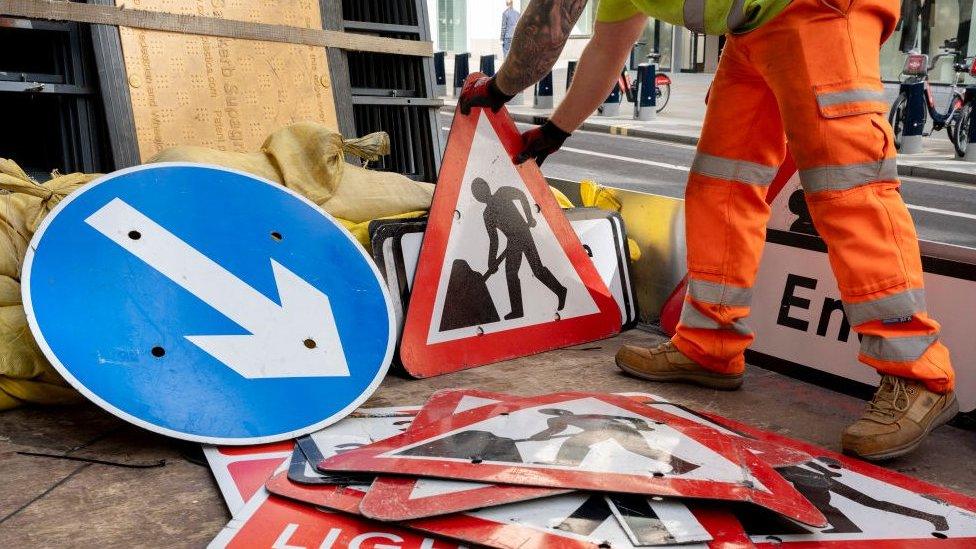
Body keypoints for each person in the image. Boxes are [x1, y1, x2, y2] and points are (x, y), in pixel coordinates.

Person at [458, 0, 957, 461]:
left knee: (847, 187)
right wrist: (556, 129)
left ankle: (918, 376)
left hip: (818, 10)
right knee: (721, 185)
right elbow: (606, 46)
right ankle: (710, 343)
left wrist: (497, 91)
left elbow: (547, 30)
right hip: (752, 33)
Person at [472, 177, 567, 319]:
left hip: (523, 233)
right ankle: (517, 310)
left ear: (487, 187)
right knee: (512, 274)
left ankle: (560, 290)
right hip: (512, 240)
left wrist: (529, 217)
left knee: (537, 270)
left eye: (482, 188)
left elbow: (521, 195)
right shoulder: (487, 215)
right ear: (477, 198)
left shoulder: (502, 193)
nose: (481, 194)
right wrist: (491, 261)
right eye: (477, 193)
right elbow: (494, 239)